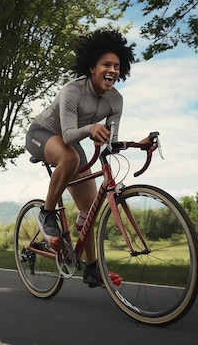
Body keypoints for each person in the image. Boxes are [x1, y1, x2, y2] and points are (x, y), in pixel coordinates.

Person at [25, 28, 146, 288]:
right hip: (43, 134)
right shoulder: (73, 90)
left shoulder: (116, 100)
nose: (112, 70)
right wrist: (91, 129)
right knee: (69, 158)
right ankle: (47, 214)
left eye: (116, 65)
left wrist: (138, 143)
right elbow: (68, 134)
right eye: (106, 64)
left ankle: (91, 268)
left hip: (70, 141)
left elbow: (112, 141)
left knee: (90, 208)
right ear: (92, 67)